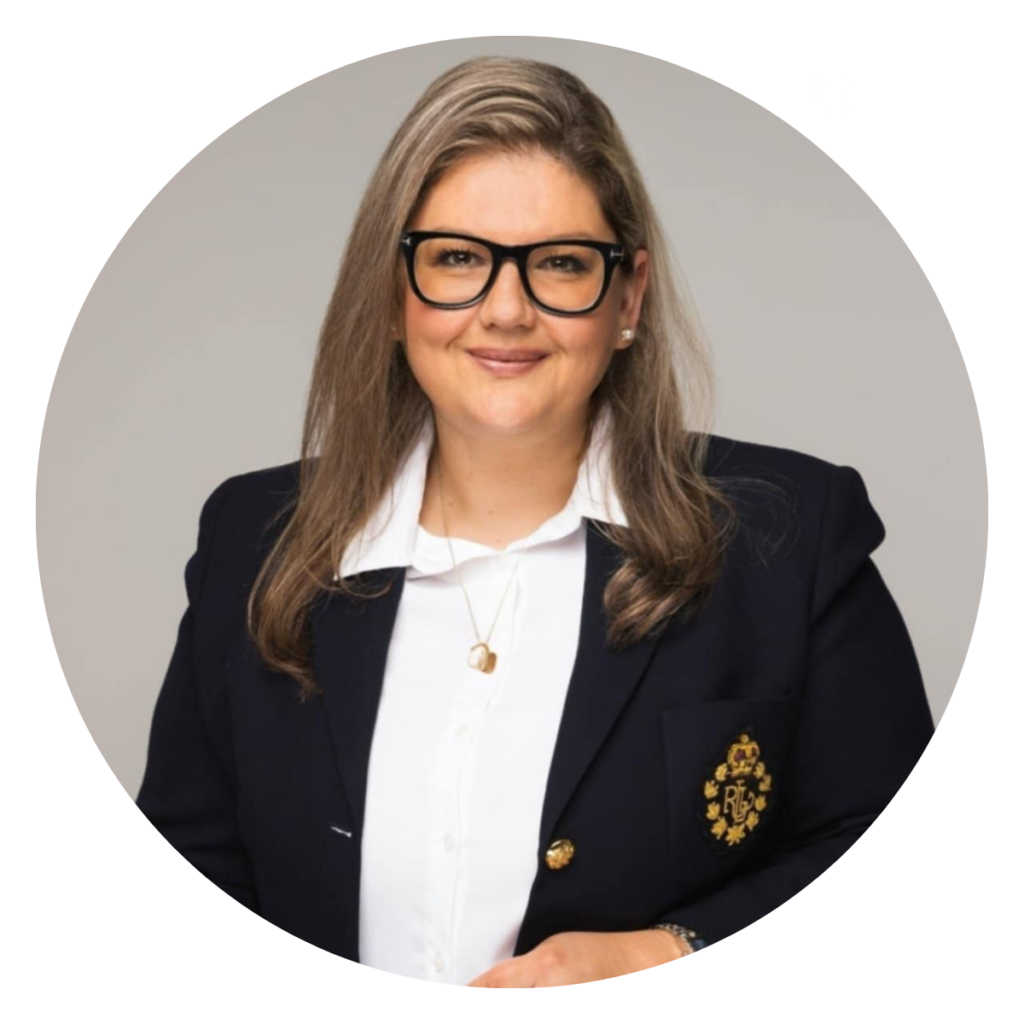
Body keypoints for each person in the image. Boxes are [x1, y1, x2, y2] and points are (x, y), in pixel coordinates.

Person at [134, 55, 935, 987]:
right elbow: (196, 850)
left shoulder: (790, 535)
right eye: (457, 260)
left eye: (560, 264)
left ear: (628, 297)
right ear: (391, 293)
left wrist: (666, 950)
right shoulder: (253, 537)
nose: (506, 311)